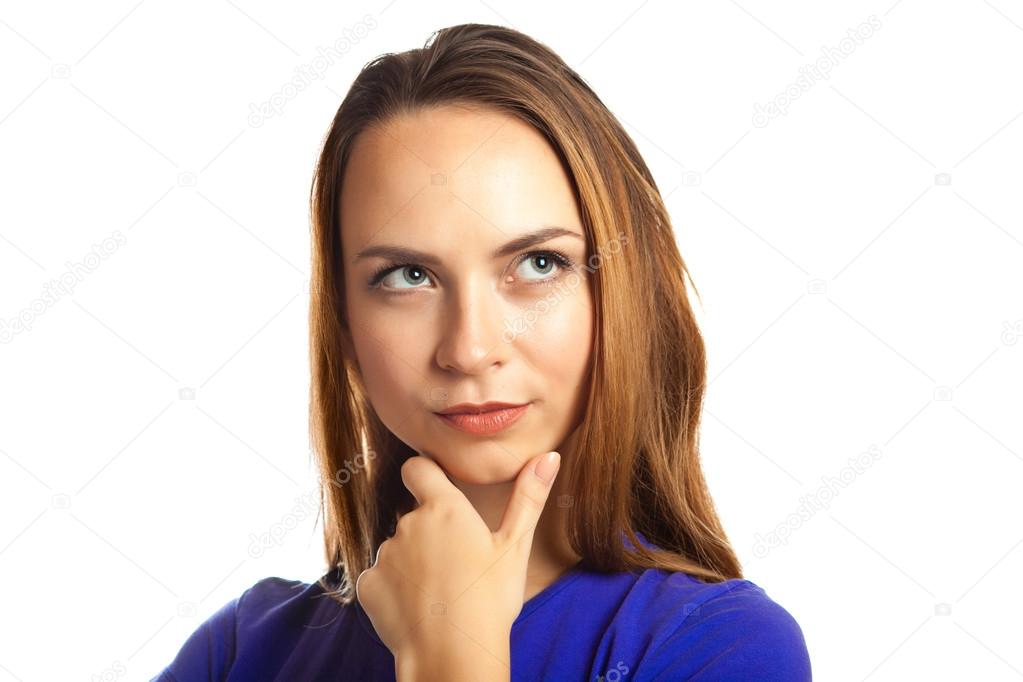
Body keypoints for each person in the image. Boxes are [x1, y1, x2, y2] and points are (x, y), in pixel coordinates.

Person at [153, 22, 812, 681]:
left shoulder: (720, 647)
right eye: (407, 276)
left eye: (538, 263)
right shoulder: (243, 651)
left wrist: (446, 656)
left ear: (622, 294)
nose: (468, 349)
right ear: (346, 322)